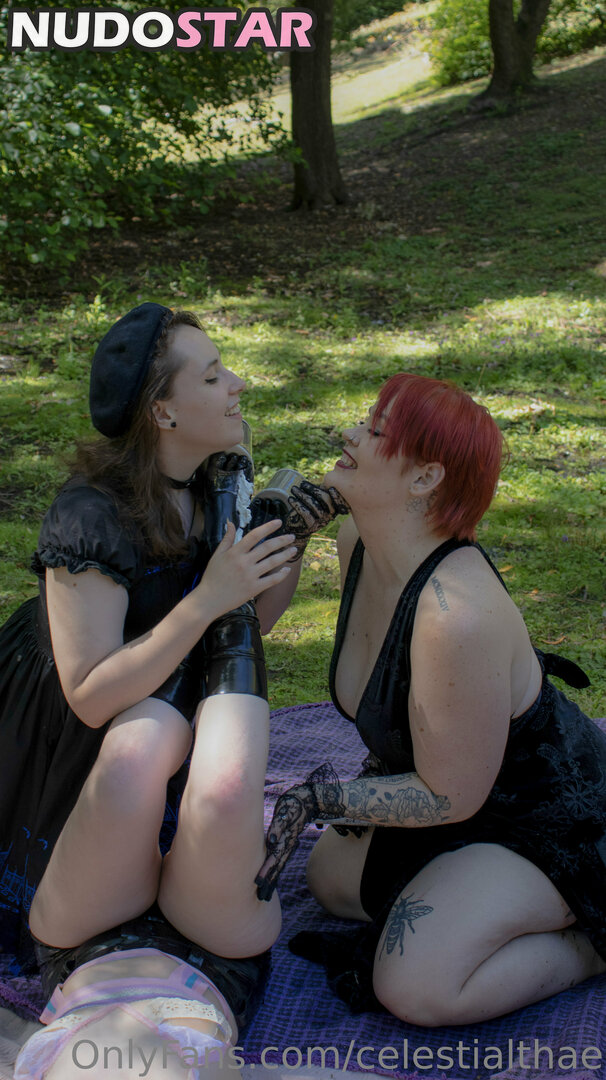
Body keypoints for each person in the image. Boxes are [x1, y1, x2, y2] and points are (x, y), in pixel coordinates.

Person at [255, 372, 606, 1027]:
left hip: (544, 822)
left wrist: (319, 800)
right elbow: (249, 623)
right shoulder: (359, 543)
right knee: (329, 879)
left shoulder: (455, 617)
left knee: (414, 983)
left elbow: (449, 796)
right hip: (465, 799)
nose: (349, 434)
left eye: (375, 431)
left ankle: (591, 940)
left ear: (424, 478)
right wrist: (289, 539)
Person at [0, 302, 347, 964]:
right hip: (68, 728)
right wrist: (209, 596)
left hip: (156, 701)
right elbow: (90, 696)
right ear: (163, 413)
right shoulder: (89, 518)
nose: (237, 384)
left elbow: (245, 625)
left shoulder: (208, 481)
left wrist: (285, 545)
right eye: (212, 377)